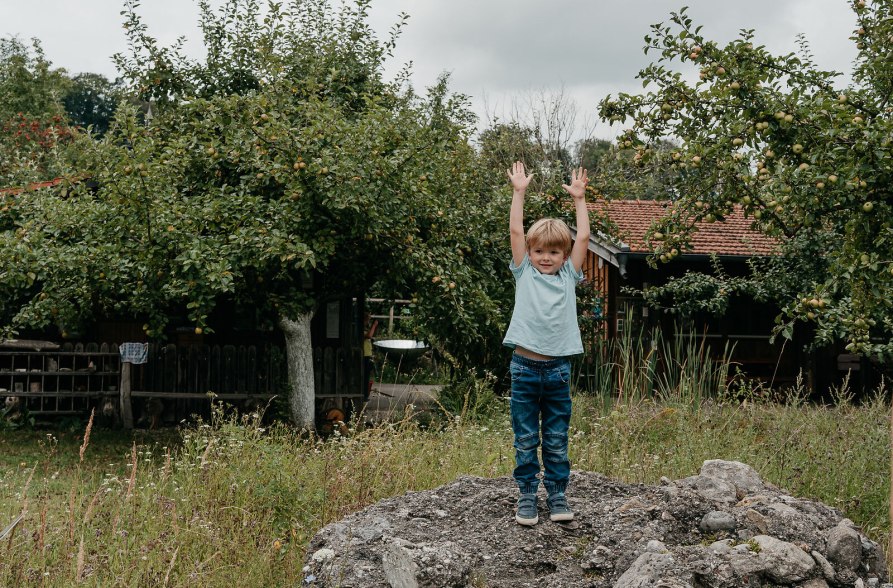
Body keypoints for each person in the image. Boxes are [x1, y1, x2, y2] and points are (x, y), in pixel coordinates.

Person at [503, 160, 590, 526]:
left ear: (564, 255)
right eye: (540, 251)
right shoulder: (524, 272)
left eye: (554, 252)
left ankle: (556, 494)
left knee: (555, 438)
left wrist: (579, 200)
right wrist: (518, 192)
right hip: (524, 369)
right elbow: (515, 231)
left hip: (557, 371)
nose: (545, 258)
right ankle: (526, 495)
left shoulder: (569, 276)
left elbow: (583, 237)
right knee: (525, 438)